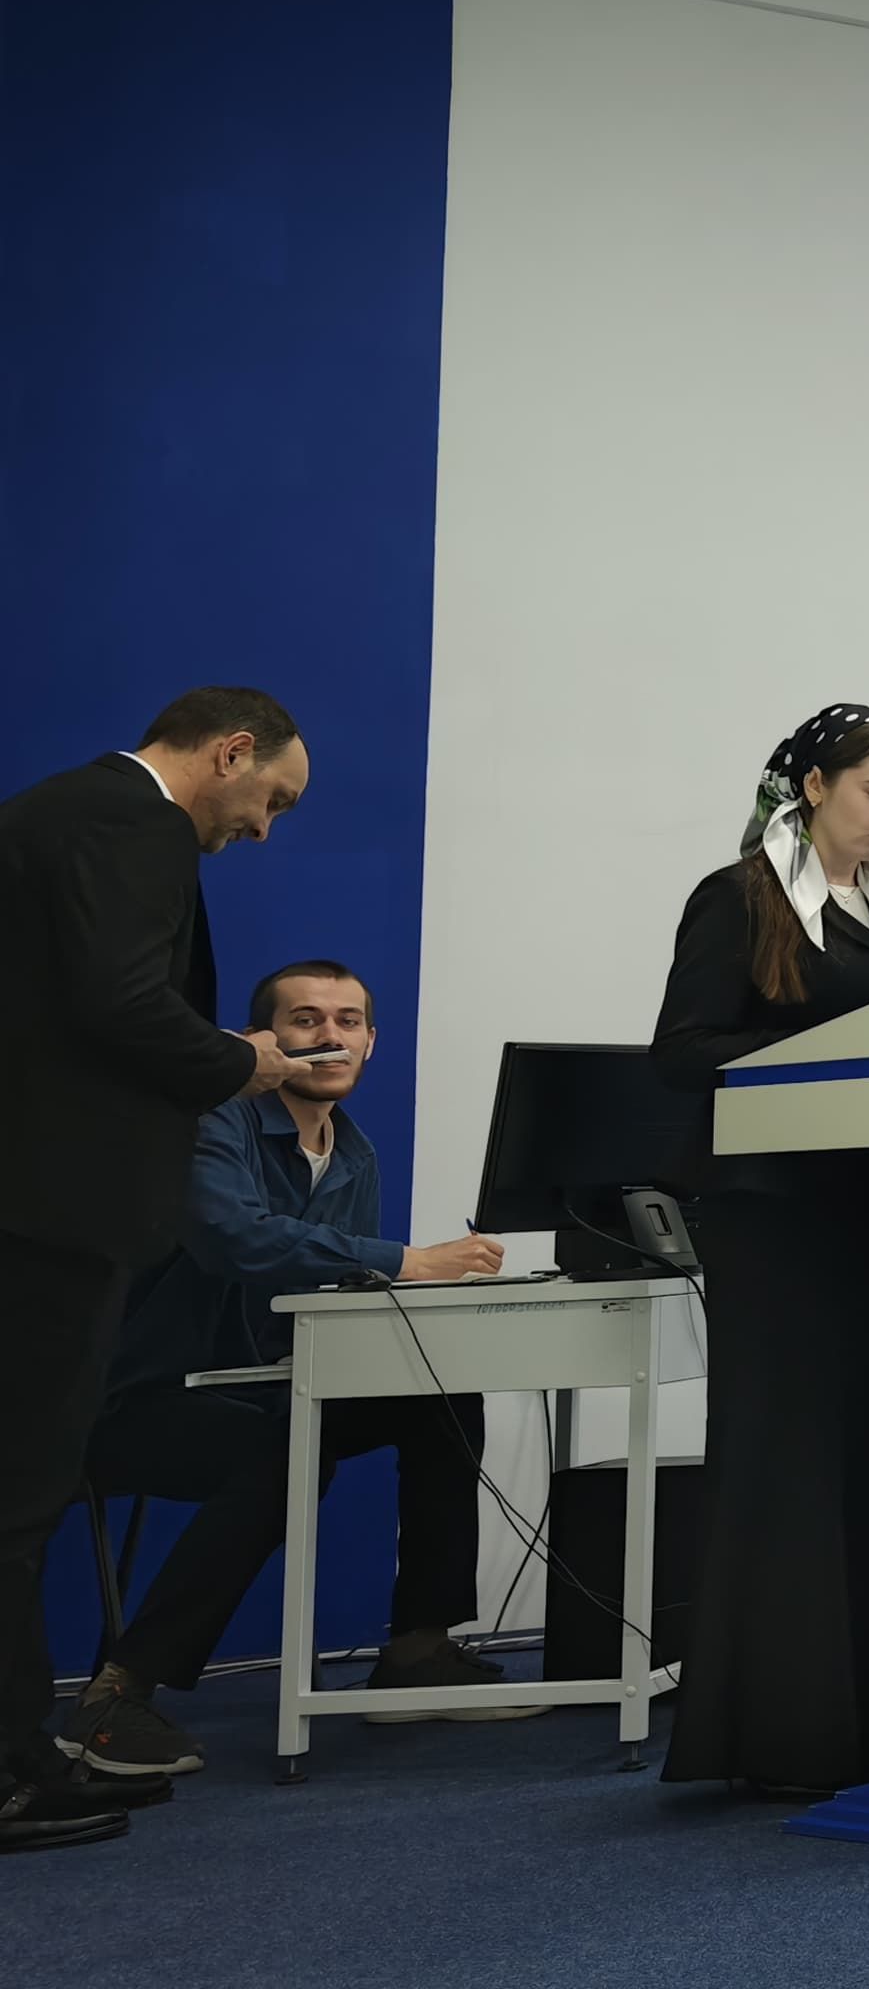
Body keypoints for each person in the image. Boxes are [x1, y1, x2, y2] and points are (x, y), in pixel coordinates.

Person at [66, 962, 550, 1779]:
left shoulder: (352, 1152)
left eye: (348, 1021)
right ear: (263, 1039)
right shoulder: (214, 1119)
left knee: (437, 1397)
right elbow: (235, 1240)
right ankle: (115, 1693)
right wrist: (407, 1261)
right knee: (283, 1450)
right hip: (140, 1400)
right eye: (306, 1020)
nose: (330, 1037)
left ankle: (418, 1653)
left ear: (370, 1042)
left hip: (263, 1390)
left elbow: (333, 1294)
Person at [0, 689, 311, 1854]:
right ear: (230, 752)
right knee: (18, 1496)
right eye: (271, 799)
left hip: (32, 1200)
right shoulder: (135, 823)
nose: (263, 829)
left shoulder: (53, 813)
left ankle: (22, 1753)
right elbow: (123, 1002)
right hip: (54, 1211)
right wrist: (240, 1060)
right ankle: (11, 1770)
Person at [651, 704, 869, 1796]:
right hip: (778, 1219)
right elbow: (683, 1053)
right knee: (790, 1460)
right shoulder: (740, 897)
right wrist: (829, 1048)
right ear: (813, 786)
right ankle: (782, 1736)